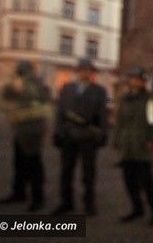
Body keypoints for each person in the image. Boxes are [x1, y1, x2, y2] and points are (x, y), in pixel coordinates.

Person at [52, 57, 108, 216]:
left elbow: (102, 115)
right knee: (66, 171)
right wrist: (57, 132)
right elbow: (60, 112)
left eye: (88, 70)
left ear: (92, 73)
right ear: (77, 71)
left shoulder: (99, 90)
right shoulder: (67, 88)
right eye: (82, 70)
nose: (85, 73)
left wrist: (103, 134)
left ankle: (89, 203)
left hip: (88, 136)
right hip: (68, 135)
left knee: (88, 173)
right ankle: (66, 202)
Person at [0, 61, 50, 212]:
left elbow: (6, 95)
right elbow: (5, 96)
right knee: (22, 163)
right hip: (25, 129)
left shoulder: (33, 85)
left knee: (32, 164)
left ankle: (36, 198)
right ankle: (20, 193)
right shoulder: (30, 84)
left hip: (30, 130)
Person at [113, 67, 153, 225]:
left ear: (143, 82)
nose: (134, 82)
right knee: (129, 181)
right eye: (132, 79)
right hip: (127, 145)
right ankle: (137, 208)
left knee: (147, 181)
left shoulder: (151, 98)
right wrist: (116, 141)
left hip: (143, 145)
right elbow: (119, 122)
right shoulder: (124, 99)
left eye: (138, 79)